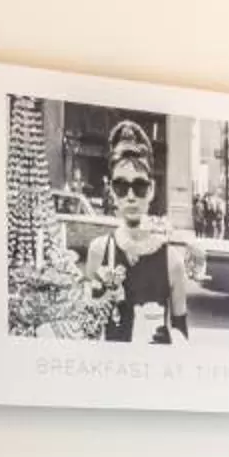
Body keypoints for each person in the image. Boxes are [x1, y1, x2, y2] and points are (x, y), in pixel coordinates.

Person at [79, 118, 188, 346]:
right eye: (121, 186)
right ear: (111, 191)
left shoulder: (172, 262)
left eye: (139, 186)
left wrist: (170, 340)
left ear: (151, 190)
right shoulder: (99, 250)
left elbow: (182, 332)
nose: (130, 196)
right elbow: (87, 328)